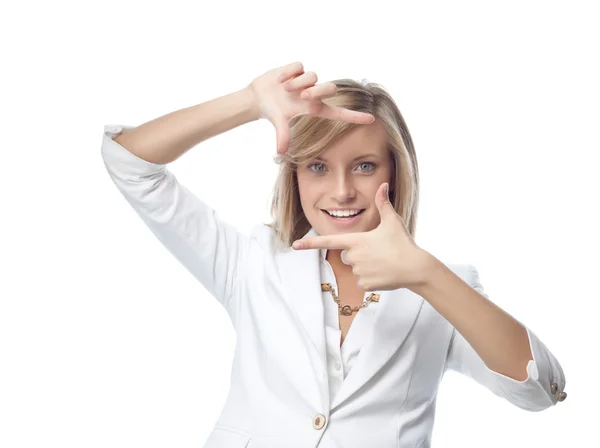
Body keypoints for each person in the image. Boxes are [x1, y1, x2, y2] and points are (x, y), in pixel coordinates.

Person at [100, 61, 567, 448]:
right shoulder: (251, 262)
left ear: (396, 172)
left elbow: (540, 389)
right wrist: (248, 102)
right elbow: (130, 164)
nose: (341, 192)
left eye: (364, 166)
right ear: (296, 175)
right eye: (318, 167)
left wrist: (425, 275)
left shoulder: (439, 287)